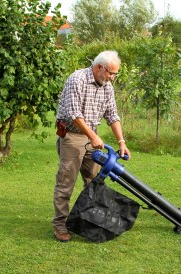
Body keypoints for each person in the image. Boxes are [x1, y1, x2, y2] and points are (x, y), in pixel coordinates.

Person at [53, 50, 130, 242]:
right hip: (72, 136)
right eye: (111, 73)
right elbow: (73, 113)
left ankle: (92, 221)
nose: (113, 78)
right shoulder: (77, 79)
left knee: (94, 181)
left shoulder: (107, 87)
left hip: (92, 137)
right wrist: (93, 136)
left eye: (115, 74)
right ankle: (60, 225)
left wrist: (121, 142)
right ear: (99, 68)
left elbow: (112, 115)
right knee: (66, 182)